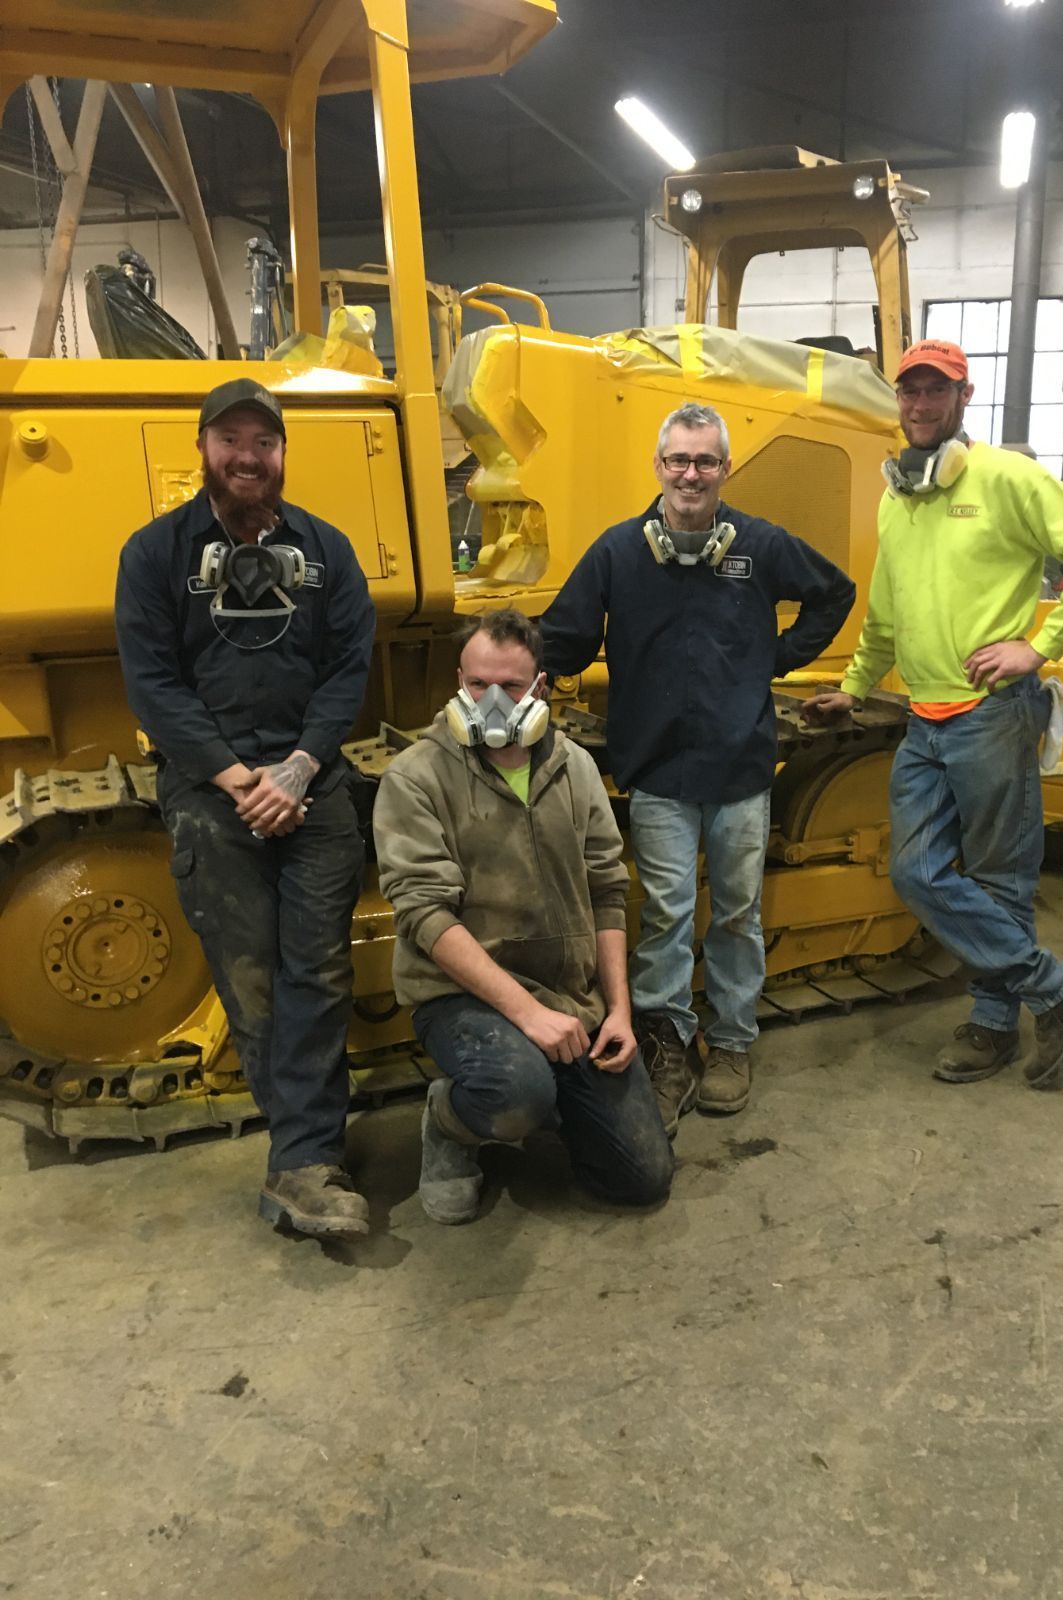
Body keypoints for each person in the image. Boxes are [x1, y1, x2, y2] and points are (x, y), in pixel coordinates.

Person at [804, 339, 1063, 1087]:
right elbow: (887, 607)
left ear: (964, 397)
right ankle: (1057, 989)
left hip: (992, 711)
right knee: (916, 870)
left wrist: (1039, 646)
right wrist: (857, 686)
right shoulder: (899, 494)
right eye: (910, 392)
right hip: (924, 716)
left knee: (998, 876)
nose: (920, 405)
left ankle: (993, 1025)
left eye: (936, 391)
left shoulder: (1006, 477)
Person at [538, 402, 856, 1132]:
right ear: (659, 466)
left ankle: (735, 1042)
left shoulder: (761, 545)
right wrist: (514, 679)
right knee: (668, 916)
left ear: (724, 469)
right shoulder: (619, 553)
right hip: (657, 770)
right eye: (679, 460)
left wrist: (772, 660)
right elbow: (567, 635)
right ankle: (670, 1042)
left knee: (738, 915)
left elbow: (832, 593)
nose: (691, 473)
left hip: (740, 766)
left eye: (705, 461)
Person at [115, 377, 375, 1236]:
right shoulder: (153, 556)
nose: (248, 456)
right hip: (211, 795)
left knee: (318, 971)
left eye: (263, 441)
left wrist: (298, 769)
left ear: (281, 454)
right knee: (254, 980)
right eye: (231, 439)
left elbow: (347, 672)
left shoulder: (329, 553)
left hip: (313, 786)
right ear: (203, 449)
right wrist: (237, 779)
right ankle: (307, 1156)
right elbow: (154, 685)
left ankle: (301, 1163)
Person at [373, 608, 673, 1225]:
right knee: (514, 1094)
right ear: (459, 678)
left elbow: (607, 891)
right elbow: (425, 916)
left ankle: (553, 1091)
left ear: (541, 687)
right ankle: (452, 1122)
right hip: (463, 997)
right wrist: (529, 1016)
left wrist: (618, 1009)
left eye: (510, 687)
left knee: (640, 1178)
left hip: (569, 995)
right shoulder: (415, 778)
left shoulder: (575, 767)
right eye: (478, 684)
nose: (490, 702)